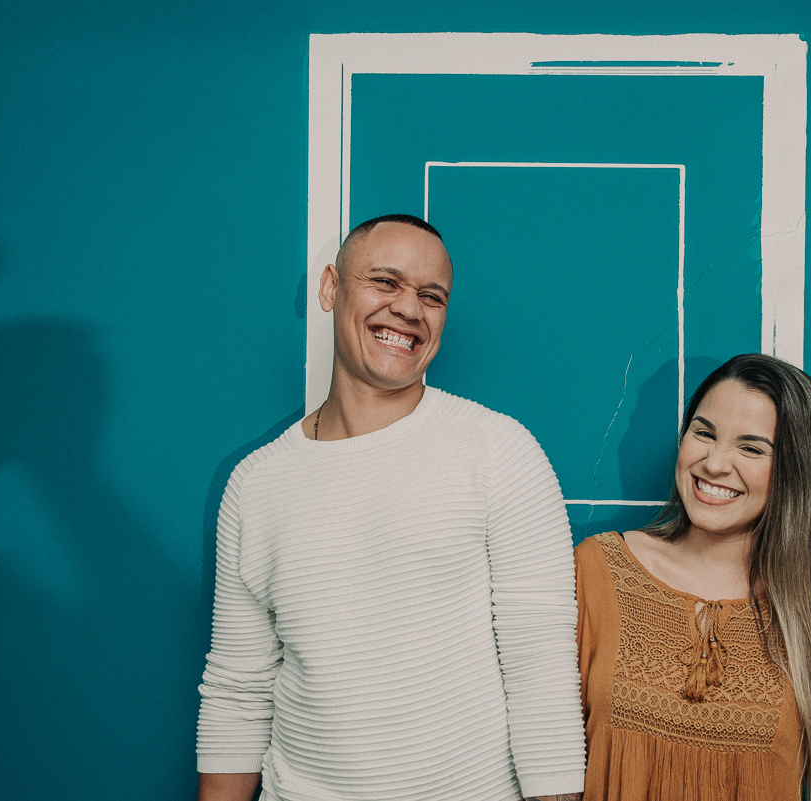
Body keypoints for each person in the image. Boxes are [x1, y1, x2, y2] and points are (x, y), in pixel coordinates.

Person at [197, 214, 586, 801]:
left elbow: (541, 667)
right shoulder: (255, 484)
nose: (410, 309)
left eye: (432, 296)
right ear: (331, 288)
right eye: (386, 282)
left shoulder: (499, 450)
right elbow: (237, 689)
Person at [575, 354, 811, 801]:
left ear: (796, 469)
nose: (713, 463)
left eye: (751, 448)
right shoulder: (597, 571)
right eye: (704, 433)